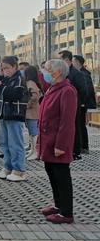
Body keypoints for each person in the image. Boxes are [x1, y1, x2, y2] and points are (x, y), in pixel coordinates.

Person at [37, 59, 77, 224]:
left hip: (58, 142)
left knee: (61, 176)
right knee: (52, 172)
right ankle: (58, 205)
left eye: (47, 69)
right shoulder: (53, 88)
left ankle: (66, 212)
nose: (44, 73)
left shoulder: (67, 91)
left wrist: (61, 145)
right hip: (48, 140)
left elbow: (66, 122)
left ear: (57, 72)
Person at [0, 56, 28, 182]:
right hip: (4, 115)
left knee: (15, 144)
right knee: (4, 144)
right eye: (3, 68)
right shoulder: (6, 79)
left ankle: (19, 170)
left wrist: (1, 87)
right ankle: (8, 167)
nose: (5, 70)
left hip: (14, 115)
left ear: (14, 67)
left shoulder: (19, 79)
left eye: (7, 68)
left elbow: (14, 95)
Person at [59, 50, 87, 160]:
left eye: (60, 60)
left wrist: (80, 104)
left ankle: (76, 152)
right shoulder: (63, 72)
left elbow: (83, 90)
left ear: (67, 60)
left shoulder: (76, 73)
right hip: (63, 105)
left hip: (75, 105)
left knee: (75, 128)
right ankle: (67, 149)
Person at [73, 54, 97, 153]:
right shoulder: (80, 73)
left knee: (81, 124)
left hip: (82, 103)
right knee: (80, 124)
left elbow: (87, 90)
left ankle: (84, 146)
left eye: (73, 61)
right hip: (80, 103)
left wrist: (82, 102)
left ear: (78, 62)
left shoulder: (83, 74)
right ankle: (82, 146)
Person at [24, 65, 42, 161]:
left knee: (34, 132)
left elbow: (35, 95)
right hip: (33, 110)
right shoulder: (33, 82)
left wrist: (27, 104)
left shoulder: (30, 82)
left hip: (32, 110)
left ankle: (36, 152)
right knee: (32, 132)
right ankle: (33, 150)